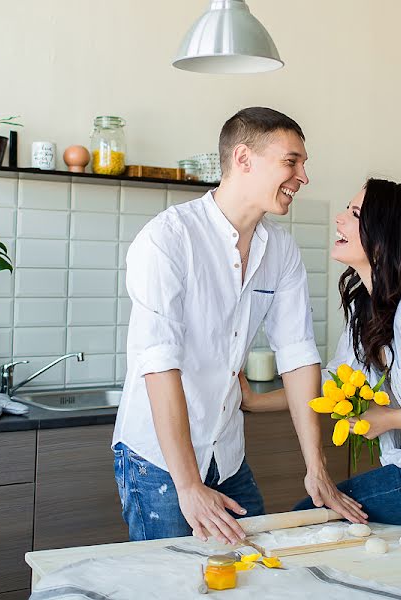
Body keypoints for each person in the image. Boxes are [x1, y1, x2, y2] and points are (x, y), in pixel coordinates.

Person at [112, 107, 366, 545]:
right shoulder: (168, 239)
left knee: (257, 577)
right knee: (172, 586)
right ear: (244, 158)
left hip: (227, 455)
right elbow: (159, 365)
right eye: (292, 161)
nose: (303, 176)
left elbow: (299, 356)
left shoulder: (281, 251)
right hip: (159, 462)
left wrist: (316, 468)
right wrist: (188, 486)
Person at [240, 178, 401, 527]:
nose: (340, 219)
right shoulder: (368, 310)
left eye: (355, 214)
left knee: (308, 519)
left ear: (384, 237)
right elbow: (333, 380)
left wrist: (388, 419)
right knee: (311, 516)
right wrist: (255, 401)